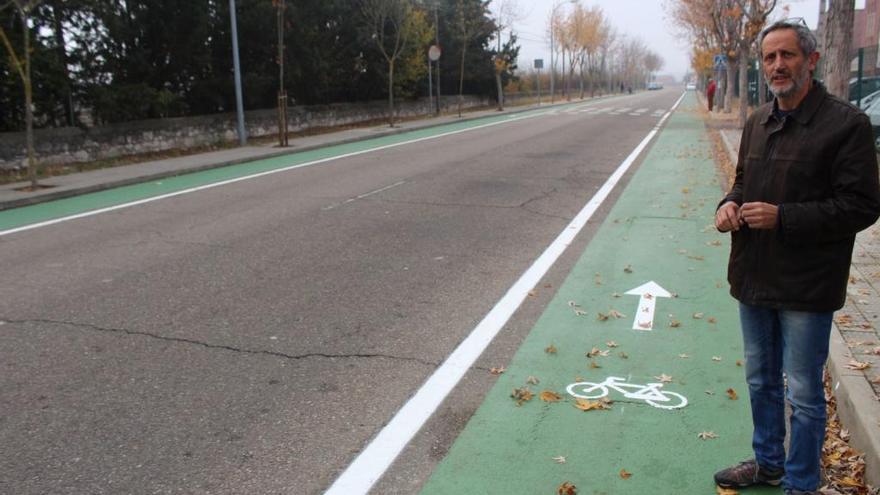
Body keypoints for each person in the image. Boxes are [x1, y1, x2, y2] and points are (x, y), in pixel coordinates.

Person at [713, 19, 880, 495]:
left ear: (811, 60)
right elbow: (742, 183)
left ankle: (801, 484)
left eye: (787, 55)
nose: (777, 65)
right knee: (762, 382)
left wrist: (784, 217)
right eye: (769, 57)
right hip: (754, 277)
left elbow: (862, 206)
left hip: (807, 284)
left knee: (804, 395)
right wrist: (728, 204)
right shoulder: (757, 122)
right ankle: (768, 463)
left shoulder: (847, 125)